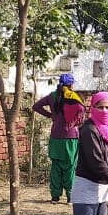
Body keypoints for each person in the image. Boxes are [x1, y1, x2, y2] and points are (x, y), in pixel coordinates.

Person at [31, 73, 85, 203]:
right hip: (71, 137)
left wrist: (51, 115)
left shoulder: (52, 96)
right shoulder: (73, 97)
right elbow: (81, 112)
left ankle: (55, 196)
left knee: (56, 166)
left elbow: (36, 106)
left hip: (55, 136)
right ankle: (70, 196)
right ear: (71, 84)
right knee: (70, 167)